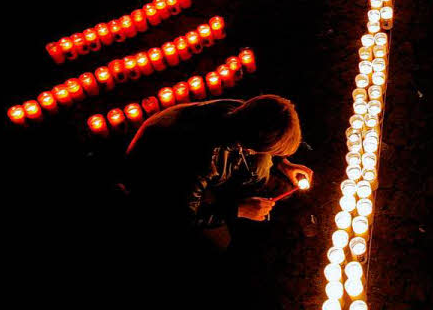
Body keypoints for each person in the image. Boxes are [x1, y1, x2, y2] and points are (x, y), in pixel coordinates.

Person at [125, 95, 313, 252]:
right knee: (220, 241)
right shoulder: (201, 157)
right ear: (249, 146)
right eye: (273, 151)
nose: (273, 156)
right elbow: (182, 216)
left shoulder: (243, 113)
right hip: (155, 176)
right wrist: (238, 209)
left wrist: (284, 164)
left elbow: (260, 140)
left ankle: (227, 194)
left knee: (261, 166)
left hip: (189, 162)